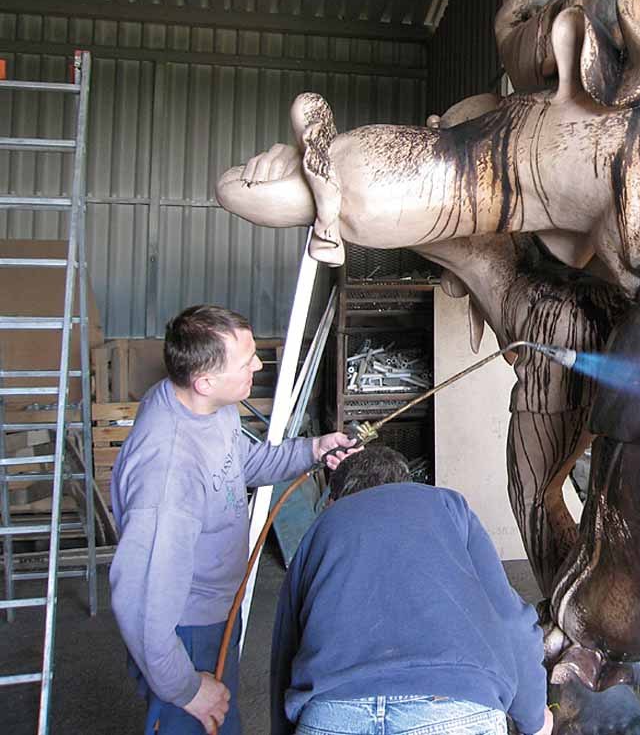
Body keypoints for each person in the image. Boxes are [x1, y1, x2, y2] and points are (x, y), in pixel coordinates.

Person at [110, 304, 361, 735]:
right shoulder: (167, 475)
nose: (258, 366)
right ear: (205, 381)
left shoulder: (209, 407)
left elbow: (243, 463)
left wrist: (312, 450)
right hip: (183, 633)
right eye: (247, 362)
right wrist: (186, 688)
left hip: (216, 611)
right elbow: (142, 606)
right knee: (200, 722)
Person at [270, 445, 554, 735]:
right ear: (406, 482)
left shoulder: (322, 526)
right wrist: (533, 718)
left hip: (333, 710)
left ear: (333, 500)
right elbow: (508, 619)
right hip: (452, 705)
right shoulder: (448, 506)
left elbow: (287, 646)